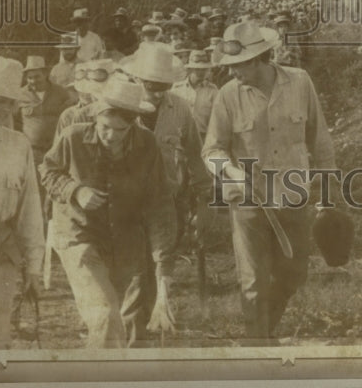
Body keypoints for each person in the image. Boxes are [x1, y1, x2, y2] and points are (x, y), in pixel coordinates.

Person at [202, 20, 336, 342]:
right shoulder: (227, 96)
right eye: (229, 66)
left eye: (238, 66)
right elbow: (212, 149)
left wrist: (328, 196)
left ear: (260, 59)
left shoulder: (300, 82)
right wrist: (233, 173)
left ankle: (262, 330)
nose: (232, 72)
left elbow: (320, 138)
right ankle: (257, 344)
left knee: (293, 275)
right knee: (253, 280)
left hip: (293, 196)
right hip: (249, 201)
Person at [39, 75, 178, 347]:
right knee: (104, 315)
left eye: (119, 130)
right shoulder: (72, 137)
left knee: (134, 319)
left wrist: (163, 267)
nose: (110, 136)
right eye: (104, 127)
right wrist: (75, 191)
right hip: (79, 236)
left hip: (125, 238)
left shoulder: (147, 144)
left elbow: (159, 204)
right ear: (96, 117)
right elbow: (48, 171)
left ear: (134, 123)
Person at [0, 55, 44, 350]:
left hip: (2, 246)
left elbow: (29, 209)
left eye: (10, 102)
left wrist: (34, 267)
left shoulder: (19, 144)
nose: (5, 108)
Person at [127, 42, 211, 249]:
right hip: (128, 198)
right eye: (152, 87)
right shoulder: (123, 106)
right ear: (138, 80)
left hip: (167, 196)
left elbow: (195, 153)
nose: (158, 94)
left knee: (164, 257)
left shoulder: (180, 108)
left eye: (164, 87)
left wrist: (205, 197)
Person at [18, 55, 75, 171]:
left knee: (55, 182)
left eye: (37, 76)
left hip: (56, 150)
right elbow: (14, 121)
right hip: (32, 151)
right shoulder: (20, 94)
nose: (33, 81)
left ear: (45, 74)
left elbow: (70, 116)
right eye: (29, 78)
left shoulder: (60, 92)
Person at [55, 58, 117, 136]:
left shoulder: (116, 114)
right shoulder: (68, 115)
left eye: (91, 91)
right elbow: (60, 146)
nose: (86, 95)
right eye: (82, 90)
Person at [171, 49, 218, 142]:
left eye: (204, 69)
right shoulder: (177, 89)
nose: (201, 73)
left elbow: (217, 118)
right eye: (198, 69)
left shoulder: (213, 91)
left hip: (204, 137)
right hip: (180, 137)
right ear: (190, 69)